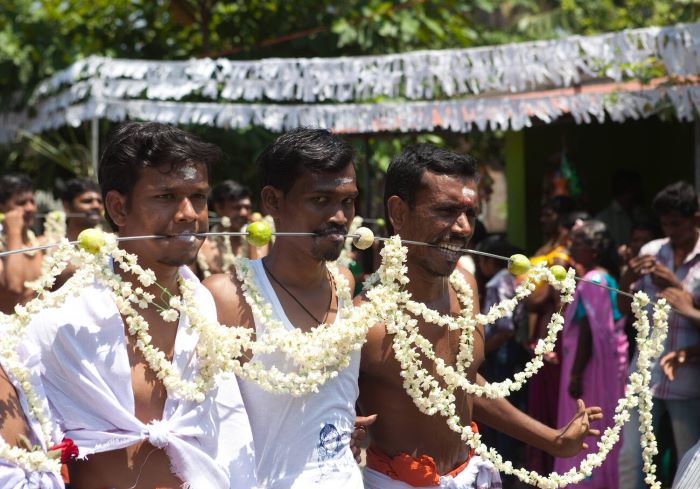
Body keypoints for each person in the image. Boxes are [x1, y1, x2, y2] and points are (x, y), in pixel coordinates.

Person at [25, 122, 256, 489]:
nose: (188, 214)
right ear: (118, 208)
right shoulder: (66, 321)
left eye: (198, 197)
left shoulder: (201, 306)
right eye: (165, 197)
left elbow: (225, 423)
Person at [358, 144, 602, 489]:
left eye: (470, 214)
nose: (462, 228)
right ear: (398, 212)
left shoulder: (465, 287)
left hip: (474, 476)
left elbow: (465, 385)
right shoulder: (363, 320)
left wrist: (553, 440)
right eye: (444, 210)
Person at [204, 128, 363, 488]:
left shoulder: (345, 282)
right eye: (321, 200)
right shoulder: (227, 297)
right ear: (273, 202)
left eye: (348, 202)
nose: (340, 217)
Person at [617, 181, 700, 489]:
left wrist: (678, 290)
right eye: (665, 224)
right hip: (646, 373)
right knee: (632, 458)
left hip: (688, 379)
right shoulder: (654, 251)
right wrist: (628, 275)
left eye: (676, 224)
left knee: (690, 462)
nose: (671, 231)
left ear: (696, 219)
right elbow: (623, 307)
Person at [553, 220, 628, 488]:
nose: (572, 247)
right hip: (602, 364)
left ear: (594, 249)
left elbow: (588, 330)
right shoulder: (604, 277)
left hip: (590, 367)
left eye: (579, 243)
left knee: (588, 422)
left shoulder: (594, 279)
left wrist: (575, 374)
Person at [199, 180, 267, 277]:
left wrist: (252, 241)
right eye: (237, 208)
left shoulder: (260, 241)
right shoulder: (203, 244)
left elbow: (260, 276)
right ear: (218, 208)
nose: (244, 213)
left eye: (247, 208)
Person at [0, 173, 43, 313]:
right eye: (21, 203)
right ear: (2, 207)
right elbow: (14, 286)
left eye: (32, 201)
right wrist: (13, 232)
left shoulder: (42, 243)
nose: (30, 208)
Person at [60, 177, 104, 242]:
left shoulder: (113, 244)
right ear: (67, 206)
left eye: (100, 201)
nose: (96, 206)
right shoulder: (46, 246)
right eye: (87, 201)